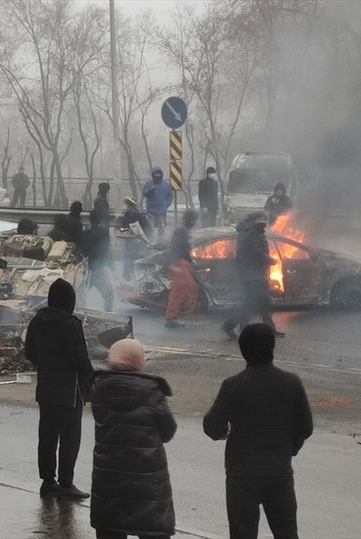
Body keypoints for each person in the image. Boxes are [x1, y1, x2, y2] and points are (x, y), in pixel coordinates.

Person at [203, 323, 313, 539]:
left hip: (242, 475)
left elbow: (212, 426)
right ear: (272, 348)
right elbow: (306, 428)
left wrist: (225, 431)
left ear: (242, 350)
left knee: (243, 533)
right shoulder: (291, 382)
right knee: (286, 532)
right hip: (279, 471)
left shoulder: (233, 385)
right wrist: (290, 448)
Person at [90, 339, 176, 539]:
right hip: (147, 479)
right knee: (151, 528)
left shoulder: (99, 388)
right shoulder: (152, 391)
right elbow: (168, 431)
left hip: (109, 475)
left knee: (111, 527)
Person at [24, 279, 93, 499]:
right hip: (68, 391)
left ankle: (47, 482)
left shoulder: (37, 321)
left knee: (47, 437)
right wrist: (91, 382)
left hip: (45, 389)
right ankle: (66, 485)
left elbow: (29, 352)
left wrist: (46, 366)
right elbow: (81, 359)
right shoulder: (70, 324)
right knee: (69, 439)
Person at [222, 212, 281, 338]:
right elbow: (256, 253)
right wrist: (271, 260)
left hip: (254, 273)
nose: (263, 223)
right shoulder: (251, 234)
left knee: (256, 302)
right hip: (253, 274)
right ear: (254, 221)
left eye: (264, 220)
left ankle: (235, 326)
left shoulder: (251, 232)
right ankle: (234, 326)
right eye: (261, 220)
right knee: (254, 303)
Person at [164, 209, 200, 328]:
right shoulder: (182, 231)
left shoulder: (182, 229)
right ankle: (171, 317)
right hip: (179, 263)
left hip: (180, 262)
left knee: (185, 289)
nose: (195, 222)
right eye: (194, 219)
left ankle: (177, 313)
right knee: (179, 290)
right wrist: (177, 264)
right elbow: (179, 248)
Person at [82, 209, 114, 312]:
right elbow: (106, 253)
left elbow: (80, 251)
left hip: (86, 270)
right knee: (109, 295)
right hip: (98, 271)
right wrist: (112, 268)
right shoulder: (102, 234)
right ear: (99, 220)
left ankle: (79, 316)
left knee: (80, 296)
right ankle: (107, 316)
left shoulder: (85, 234)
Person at [118, 197, 151, 281]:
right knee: (127, 259)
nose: (128, 208)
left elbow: (148, 229)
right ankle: (127, 277)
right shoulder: (126, 216)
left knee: (137, 260)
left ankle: (138, 278)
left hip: (139, 242)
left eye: (130, 207)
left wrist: (142, 237)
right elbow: (123, 228)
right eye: (128, 206)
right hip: (129, 242)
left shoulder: (139, 216)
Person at [142, 166, 173, 240]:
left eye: (158, 175)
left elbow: (170, 196)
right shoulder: (148, 184)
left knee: (162, 228)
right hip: (151, 211)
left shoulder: (166, 185)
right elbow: (145, 193)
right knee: (150, 228)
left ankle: (161, 242)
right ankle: (150, 243)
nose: (157, 177)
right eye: (155, 175)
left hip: (162, 211)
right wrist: (152, 189)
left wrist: (166, 205)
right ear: (152, 176)